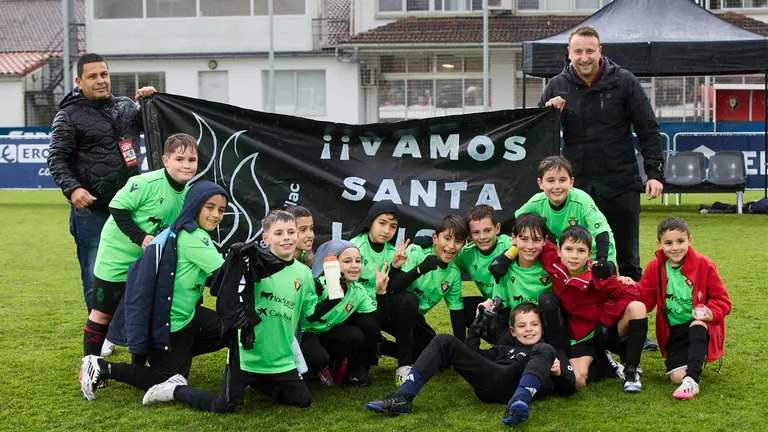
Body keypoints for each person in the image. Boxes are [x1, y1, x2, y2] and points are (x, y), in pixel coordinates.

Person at [141, 210, 318, 411]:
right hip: (245, 356)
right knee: (223, 407)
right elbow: (222, 292)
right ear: (266, 239)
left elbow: (311, 313)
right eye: (279, 233)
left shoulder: (304, 274)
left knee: (302, 401)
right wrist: (236, 264)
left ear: (297, 235)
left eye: (291, 232)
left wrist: (335, 295)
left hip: (281, 357)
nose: (286, 237)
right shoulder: (252, 267)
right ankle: (175, 389)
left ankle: (258, 380)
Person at [78, 181, 229, 401]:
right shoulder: (195, 237)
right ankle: (101, 367)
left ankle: (181, 357)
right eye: (210, 207)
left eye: (221, 210)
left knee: (229, 329)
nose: (216, 215)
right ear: (195, 205)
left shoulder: (179, 230)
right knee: (166, 378)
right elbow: (226, 275)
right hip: (169, 325)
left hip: (179, 317)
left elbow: (211, 277)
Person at [539, 25, 664, 283]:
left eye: (590, 51)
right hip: (578, 188)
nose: (584, 58)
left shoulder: (624, 81)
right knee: (575, 257)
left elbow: (648, 128)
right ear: (569, 53)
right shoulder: (556, 86)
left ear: (600, 51)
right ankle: (582, 306)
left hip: (621, 183)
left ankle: (632, 308)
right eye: (578, 52)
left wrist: (654, 173)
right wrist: (549, 114)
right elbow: (538, 135)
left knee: (628, 260)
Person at [48, 53, 156, 315]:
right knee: (96, 275)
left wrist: (151, 102)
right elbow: (57, 158)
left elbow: (158, 125)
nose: (100, 80)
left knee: (138, 271)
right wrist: (73, 188)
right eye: (92, 76)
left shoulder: (127, 107)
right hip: (93, 212)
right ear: (79, 82)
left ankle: (130, 328)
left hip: (132, 209)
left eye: (104, 74)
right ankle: (100, 332)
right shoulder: (68, 116)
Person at [80, 134, 199, 365]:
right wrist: (140, 237)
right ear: (165, 160)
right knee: (102, 314)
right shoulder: (146, 183)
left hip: (146, 265)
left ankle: (137, 370)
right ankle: (90, 367)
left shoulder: (188, 196)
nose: (186, 165)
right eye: (180, 159)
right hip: (116, 258)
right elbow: (117, 207)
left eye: (192, 160)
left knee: (144, 315)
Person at [364, 302, 576, 427]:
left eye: (534, 324)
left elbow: (569, 388)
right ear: (513, 331)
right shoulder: (504, 348)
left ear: (542, 327)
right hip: (493, 381)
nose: (528, 329)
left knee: (544, 349)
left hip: (518, 385)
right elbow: (471, 356)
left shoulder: (550, 351)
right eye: (522, 326)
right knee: (443, 340)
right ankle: (403, 397)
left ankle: (518, 403)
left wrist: (558, 374)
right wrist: (475, 327)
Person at [529, 225, 648, 392]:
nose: (574, 256)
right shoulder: (553, 262)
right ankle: (605, 362)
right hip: (579, 337)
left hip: (603, 331)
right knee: (577, 379)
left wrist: (606, 320)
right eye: (569, 249)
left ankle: (631, 371)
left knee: (637, 307)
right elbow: (530, 236)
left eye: (581, 251)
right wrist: (506, 257)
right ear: (559, 251)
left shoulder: (597, 275)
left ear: (589, 254)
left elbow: (633, 293)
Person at [636, 217, 731, 400]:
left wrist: (710, 313)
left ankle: (692, 380)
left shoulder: (704, 265)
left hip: (700, 326)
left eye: (680, 241)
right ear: (659, 244)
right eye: (668, 243)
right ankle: (691, 363)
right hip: (673, 330)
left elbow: (723, 300)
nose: (675, 248)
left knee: (697, 324)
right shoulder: (655, 267)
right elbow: (645, 300)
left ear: (689, 240)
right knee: (676, 377)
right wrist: (628, 288)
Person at [387, 214, 468, 382]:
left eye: (458, 241)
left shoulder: (453, 274)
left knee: (441, 357)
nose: (451, 246)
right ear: (435, 238)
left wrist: (464, 354)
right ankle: (403, 367)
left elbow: (457, 314)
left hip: (413, 319)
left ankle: (383, 347)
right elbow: (393, 288)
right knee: (410, 300)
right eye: (447, 238)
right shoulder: (416, 251)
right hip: (388, 311)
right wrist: (420, 269)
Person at [349, 201, 418, 381]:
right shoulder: (354, 247)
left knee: (409, 300)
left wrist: (395, 267)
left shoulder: (393, 252)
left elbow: (393, 289)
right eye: (382, 223)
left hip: (381, 303)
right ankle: (361, 366)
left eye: (393, 226)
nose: (387, 230)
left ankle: (404, 366)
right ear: (370, 222)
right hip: (357, 307)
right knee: (368, 323)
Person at [300, 240, 383, 387]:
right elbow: (309, 317)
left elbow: (374, 322)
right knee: (317, 358)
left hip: (326, 332)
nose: (354, 265)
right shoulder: (319, 284)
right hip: (303, 333)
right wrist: (334, 298)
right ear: (332, 265)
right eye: (347, 261)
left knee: (357, 334)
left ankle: (344, 367)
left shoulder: (358, 290)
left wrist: (380, 293)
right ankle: (307, 371)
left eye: (358, 261)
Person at [515, 156, 616, 266]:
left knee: (601, 275)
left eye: (562, 180)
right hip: (568, 257)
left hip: (597, 254)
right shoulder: (536, 202)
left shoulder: (583, 201)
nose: (557, 186)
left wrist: (602, 260)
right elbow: (513, 223)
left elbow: (602, 231)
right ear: (540, 183)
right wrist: (507, 256)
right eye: (550, 181)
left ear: (571, 182)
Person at [451, 205, 513, 334]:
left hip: (516, 306)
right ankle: (462, 344)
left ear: (497, 229)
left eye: (487, 230)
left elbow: (526, 246)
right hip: (492, 306)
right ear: (470, 234)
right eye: (476, 232)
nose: (482, 237)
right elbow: (445, 260)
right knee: (463, 306)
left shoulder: (509, 244)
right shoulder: (466, 253)